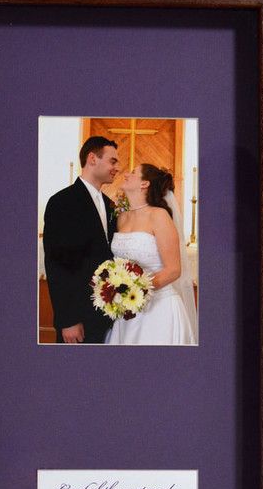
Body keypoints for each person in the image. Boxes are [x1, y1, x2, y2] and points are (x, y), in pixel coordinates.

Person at [105, 164, 197, 346]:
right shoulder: (122, 217)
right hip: (127, 309)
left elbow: (173, 270)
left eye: (133, 173)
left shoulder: (159, 215)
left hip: (159, 309)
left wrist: (137, 289)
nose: (126, 174)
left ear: (144, 184)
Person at [43, 136, 119, 343]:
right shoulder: (62, 202)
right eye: (113, 161)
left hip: (107, 315)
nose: (117, 168)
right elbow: (57, 264)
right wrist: (68, 319)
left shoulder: (110, 205)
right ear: (92, 159)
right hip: (77, 317)